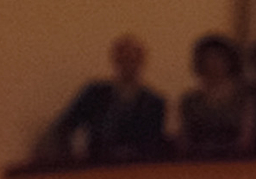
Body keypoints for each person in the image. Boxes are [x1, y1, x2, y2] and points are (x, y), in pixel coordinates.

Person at [37, 34, 168, 163]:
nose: (129, 65)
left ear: (141, 62)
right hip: (97, 166)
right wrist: (68, 162)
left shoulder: (155, 102)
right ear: (115, 61)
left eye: (133, 60)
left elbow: (154, 142)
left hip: (138, 169)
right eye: (124, 59)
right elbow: (65, 126)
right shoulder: (95, 94)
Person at [177, 34, 256, 158]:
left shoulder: (244, 98)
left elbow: (246, 138)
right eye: (208, 58)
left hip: (236, 162)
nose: (214, 63)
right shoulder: (190, 100)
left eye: (219, 57)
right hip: (196, 162)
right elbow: (184, 138)